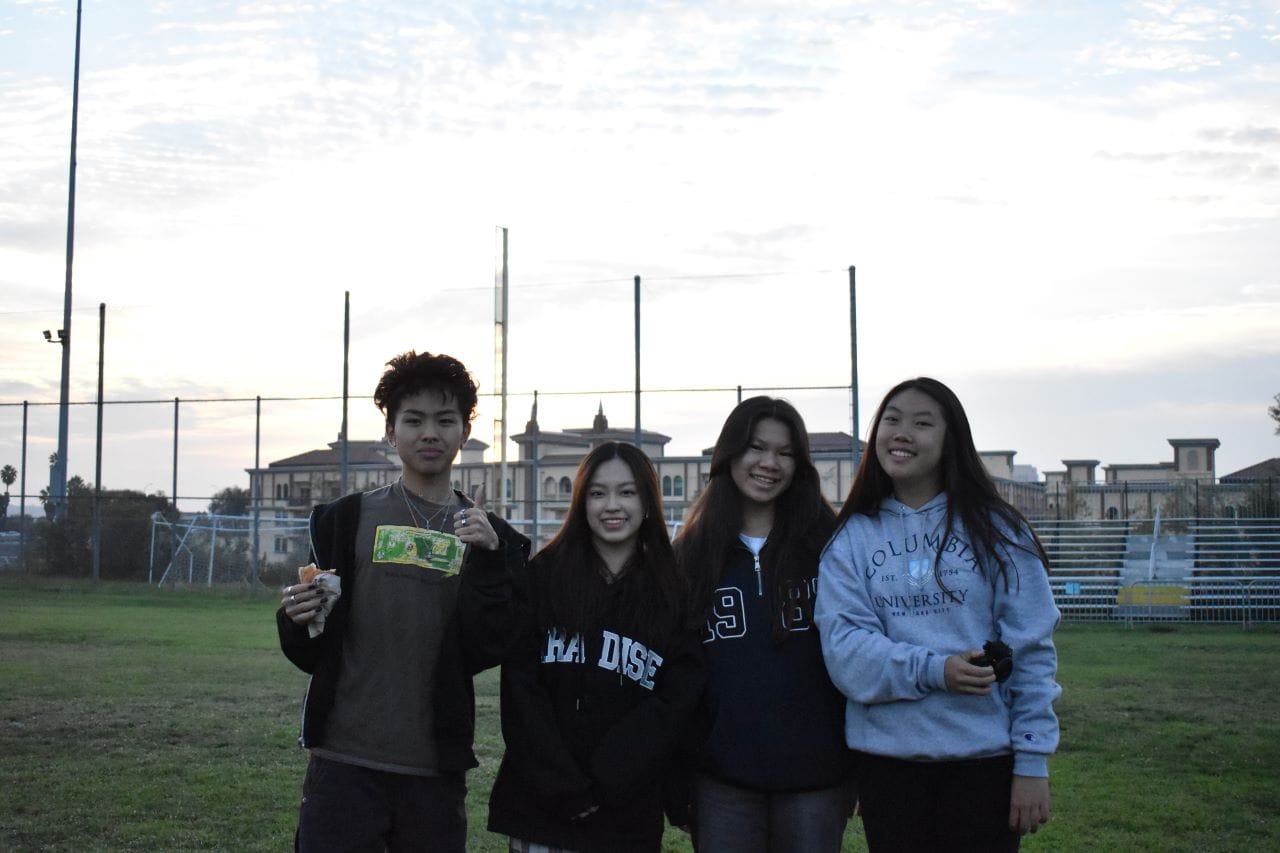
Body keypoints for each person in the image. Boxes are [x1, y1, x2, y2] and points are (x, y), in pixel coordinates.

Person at [277, 350, 530, 853]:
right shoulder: (343, 520)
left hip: (433, 769)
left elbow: (494, 644)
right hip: (343, 762)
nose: (429, 433)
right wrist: (294, 617)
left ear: (464, 433)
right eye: (413, 420)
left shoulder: (492, 538)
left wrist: (494, 561)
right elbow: (311, 646)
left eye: (445, 420)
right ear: (391, 433)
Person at [815, 377, 1061, 852]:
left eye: (922, 423)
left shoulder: (998, 530)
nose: (902, 433)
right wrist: (936, 671)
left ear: (951, 440)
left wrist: (1031, 761)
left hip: (984, 764)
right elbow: (846, 652)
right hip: (887, 766)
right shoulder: (851, 539)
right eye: (891, 420)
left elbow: (1030, 648)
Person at [487, 441, 706, 853]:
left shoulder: (673, 592)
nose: (612, 505)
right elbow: (521, 689)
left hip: (625, 812)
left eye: (627, 492)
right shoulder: (544, 577)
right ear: (581, 502)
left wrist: (610, 776)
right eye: (598, 492)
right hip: (543, 808)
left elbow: (674, 703)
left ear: (647, 502)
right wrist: (560, 782)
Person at [676, 396, 853, 852]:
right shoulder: (689, 557)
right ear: (729, 454)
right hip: (721, 780)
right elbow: (677, 678)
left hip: (815, 777)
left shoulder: (831, 548)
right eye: (756, 447)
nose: (769, 463)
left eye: (785, 452)